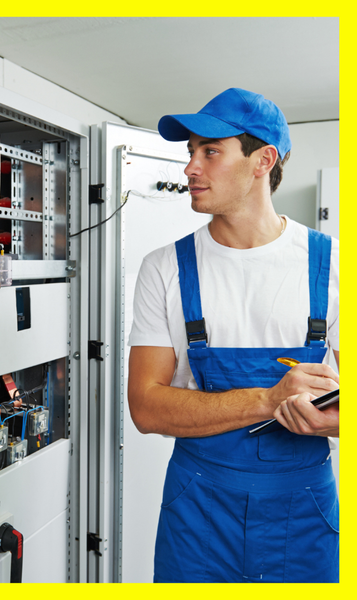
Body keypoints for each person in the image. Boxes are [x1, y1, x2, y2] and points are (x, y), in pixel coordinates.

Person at [127, 88, 339, 583]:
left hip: (303, 514)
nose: (190, 169)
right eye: (190, 153)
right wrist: (268, 400)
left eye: (210, 151)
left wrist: (327, 421)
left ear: (263, 160)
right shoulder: (165, 269)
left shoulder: (334, 268)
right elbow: (146, 407)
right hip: (197, 511)